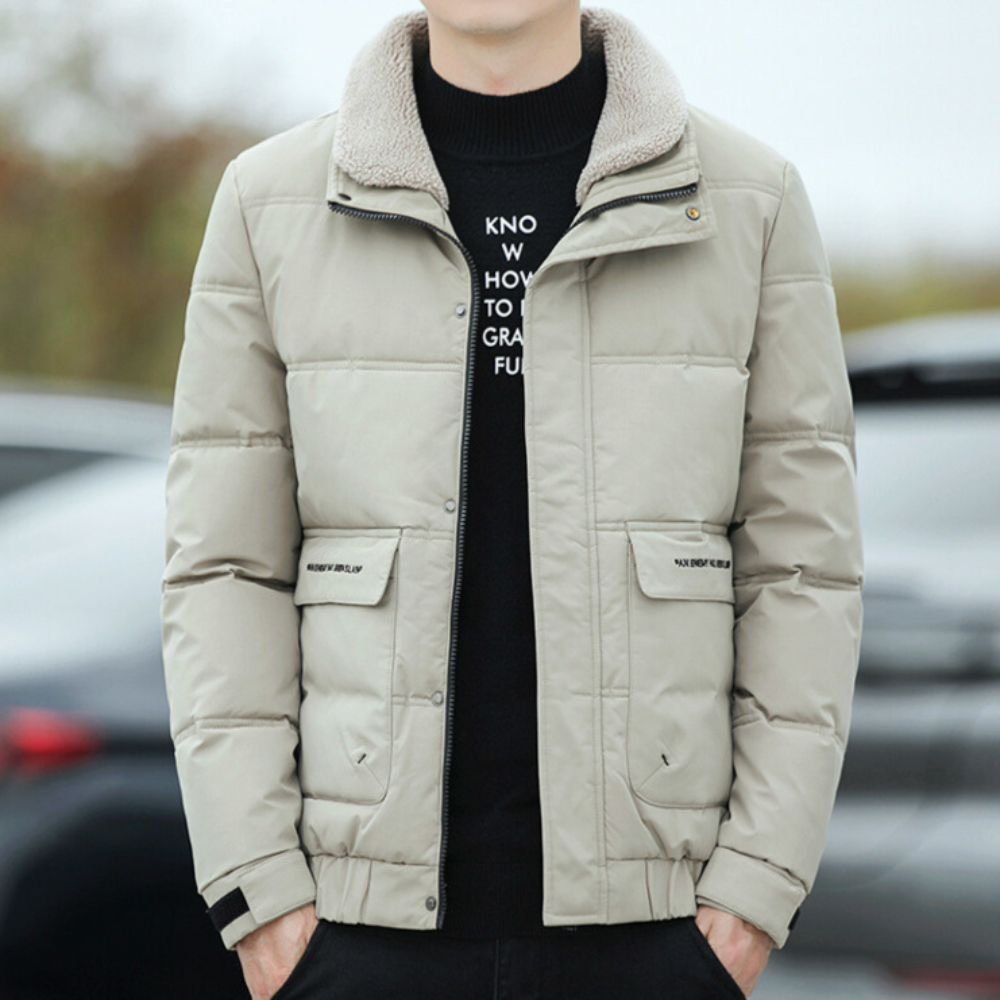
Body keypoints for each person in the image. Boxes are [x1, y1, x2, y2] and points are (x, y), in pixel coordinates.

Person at [160, 2, 864, 998]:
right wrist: (262, 897)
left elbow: (803, 570)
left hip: (656, 936)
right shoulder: (267, 203)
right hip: (355, 938)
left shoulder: (751, 201)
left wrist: (753, 892)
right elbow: (224, 569)